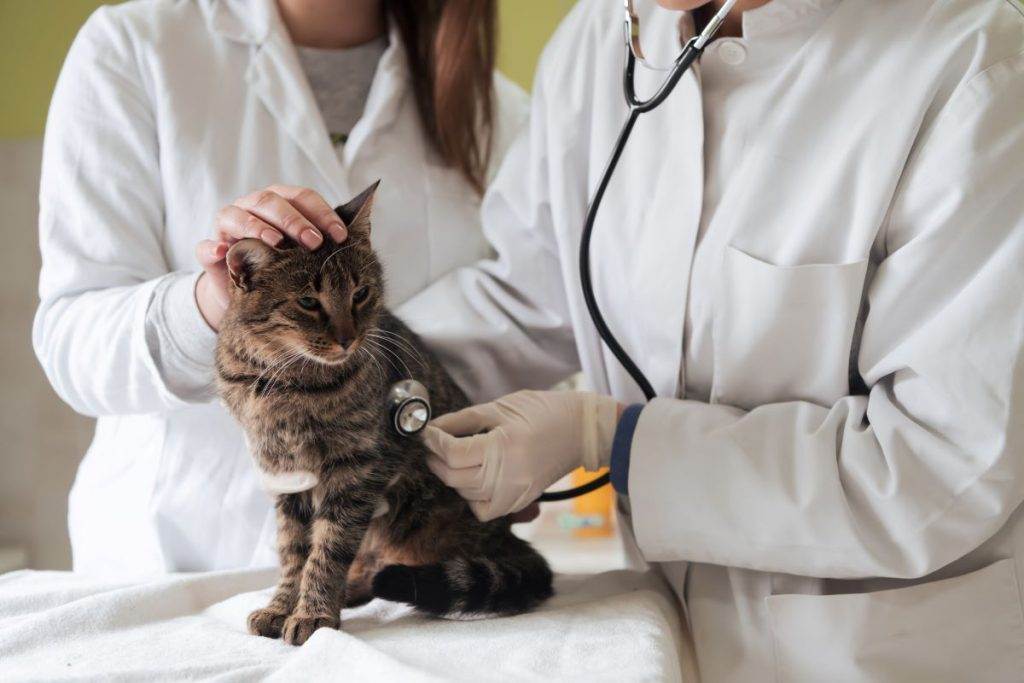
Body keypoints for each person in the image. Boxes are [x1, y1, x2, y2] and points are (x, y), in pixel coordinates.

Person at [239, 0, 1024, 678]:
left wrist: (614, 440)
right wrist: (301, 369)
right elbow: (525, 298)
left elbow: (942, 466)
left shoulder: (970, 65)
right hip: (661, 634)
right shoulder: (599, 44)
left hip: (884, 653)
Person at [33, 0, 527, 577]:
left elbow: (521, 327)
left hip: (409, 565)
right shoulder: (133, 47)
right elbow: (73, 343)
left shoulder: (502, 111)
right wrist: (218, 306)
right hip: (178, 560)